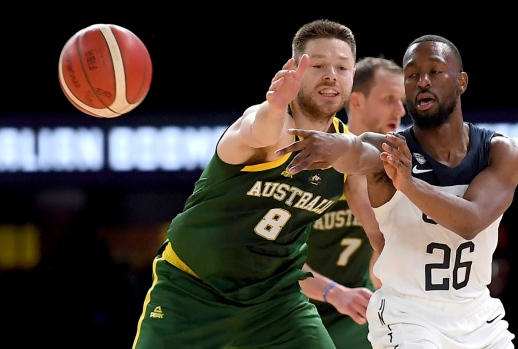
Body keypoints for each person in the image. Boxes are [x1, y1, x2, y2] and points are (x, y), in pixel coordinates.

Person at [276, 34, 518, 348]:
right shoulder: (380, 154)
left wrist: (408, 185)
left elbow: (469, 222)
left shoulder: (500, 151)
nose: (422, 82)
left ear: (461, 81)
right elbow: (355, 149)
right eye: (411, 76)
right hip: (392, 314)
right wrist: (320, 135)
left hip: (475, 315)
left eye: (434, 71)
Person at [132, 19, 363, 349]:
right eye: (320, 65)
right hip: (193, 292)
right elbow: (261, 130)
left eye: (342, 67)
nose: (331, 75)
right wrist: (275, 104)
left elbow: (378, 225)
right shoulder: (268, 123)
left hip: (274, 302)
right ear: (295, 70)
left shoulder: (345, 151)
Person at [300, 56, 406, 349]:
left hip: (354, 309)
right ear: (356, 102)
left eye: (402, 101)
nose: (400, 110)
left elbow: (383, 252)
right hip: (294, 301)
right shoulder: (315, 164)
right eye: (389, 99)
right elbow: (272, 258)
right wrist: (333, 291)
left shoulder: (395, 171)